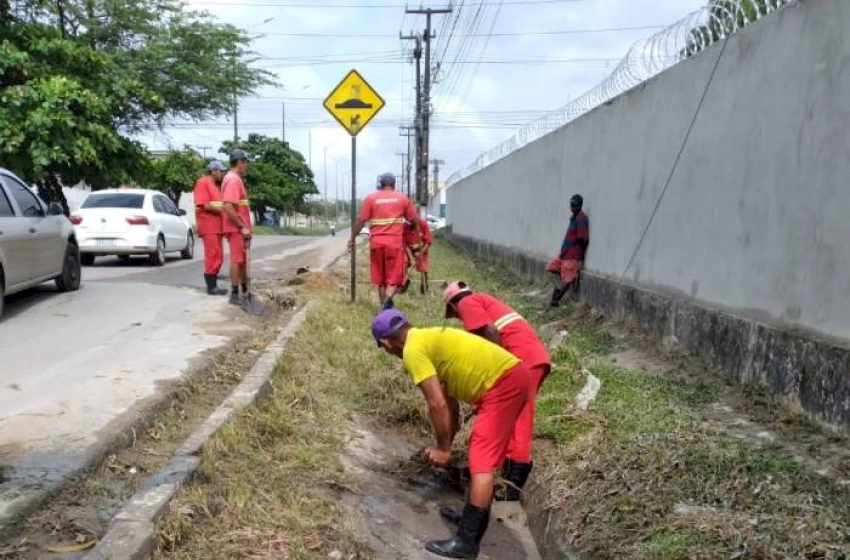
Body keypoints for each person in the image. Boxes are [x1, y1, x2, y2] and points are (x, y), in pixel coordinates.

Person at [371, 309, 533, 559]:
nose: (390, 354)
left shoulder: (413, 351)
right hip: (514, 376)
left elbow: (435, 404)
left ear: (385, 342)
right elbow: (449, 404)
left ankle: (466, 544)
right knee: (481, 457)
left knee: (481, 464)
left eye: (385, 349)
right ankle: (471, 517)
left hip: (503, 384)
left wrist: (443, 449)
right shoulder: (427, 339)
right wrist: (447, 440)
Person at [442, 281, 551, 510]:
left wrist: (499, 368)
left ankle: (512, 484)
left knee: (520, 419)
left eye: (453, 314)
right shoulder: (483, 301)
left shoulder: (468, 302)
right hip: (529, 357)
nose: (459, 318)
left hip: (523, 359)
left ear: (453, 304)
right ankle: (504, 477)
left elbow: (491, 333)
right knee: (510, 419)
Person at [349, 172, 418, 310]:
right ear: (394, 184)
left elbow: (361, 221)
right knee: (392, 281)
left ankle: (383, 309)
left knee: (381, 281)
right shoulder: (402, 199)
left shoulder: (370, 198)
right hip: (394, 245)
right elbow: (414, 220)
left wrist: (352, 238)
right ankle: (385, 307)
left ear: (380, 184)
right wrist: (412, 227)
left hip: (376, 244)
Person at [221, 149, 253, 305]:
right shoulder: (233, 179)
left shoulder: (234, 179)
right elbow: (228, 206)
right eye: (245, 162)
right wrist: (241, 227)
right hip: (236, 229)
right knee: (237, 260)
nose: (246, 165)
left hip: (240, 229)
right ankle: (234, 295)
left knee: (242, 261)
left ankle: (244, 290)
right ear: (239, 162)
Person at [546, 194, 589, 307]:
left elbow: (583, 239)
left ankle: (555, 301)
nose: (572, 207)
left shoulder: (581, 218)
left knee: (567, 279)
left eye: (574, 205)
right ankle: (558, 293)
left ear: (580, 205)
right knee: (551, 267)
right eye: (571, 204)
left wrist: (579, 258)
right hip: (564, 255)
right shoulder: (573, 218)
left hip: (572, 256)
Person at [193, 160, 228, 296]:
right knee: (212, 254)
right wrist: (223, 210)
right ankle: (211, 286)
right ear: (213, 171)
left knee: (218, 255)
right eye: (221, 171)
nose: (222, 174)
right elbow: (204, 205)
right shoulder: (203, 182)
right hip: (208, 225)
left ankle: (214, 281)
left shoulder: (214, 185)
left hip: (217, 227)